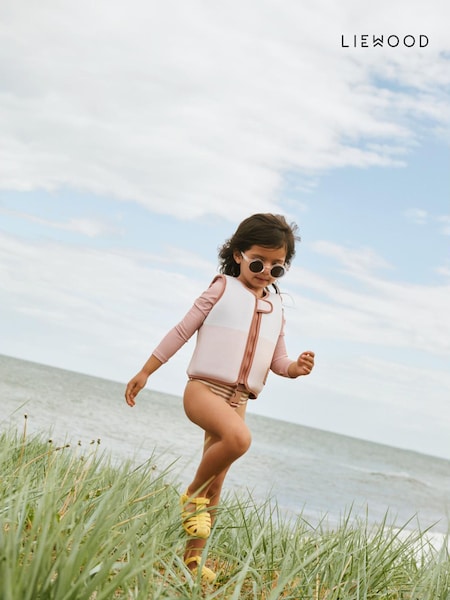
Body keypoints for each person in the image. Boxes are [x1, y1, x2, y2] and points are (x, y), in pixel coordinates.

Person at [125, 213, 315, 582]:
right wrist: (146, 371)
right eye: (258, 262)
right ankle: (190, 494)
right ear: (239, 254)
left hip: (239, 400)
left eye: (277, 267)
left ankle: (192, 562)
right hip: (204, 390)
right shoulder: (221, 288)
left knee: (217, 485)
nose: (266, 272)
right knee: (239, 439)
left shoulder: (276, 308)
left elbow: (278, 361)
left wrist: (297, 368)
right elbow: (182, 330)